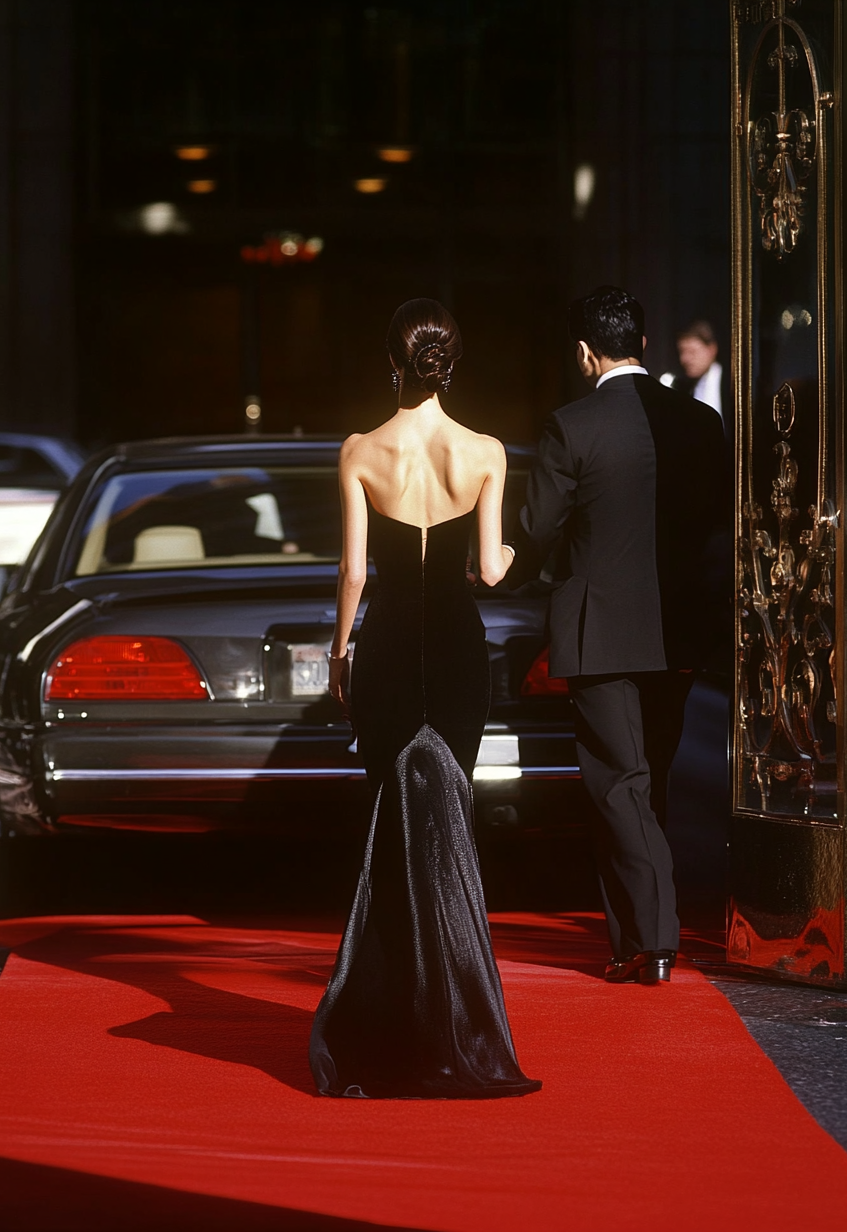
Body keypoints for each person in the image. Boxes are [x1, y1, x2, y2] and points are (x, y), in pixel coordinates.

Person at [309, 298, 541, 1099]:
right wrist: (511, 544)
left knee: (390, 824)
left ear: (392, 365)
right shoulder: (484, 452)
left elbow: (354, 574)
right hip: (454, 649)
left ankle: (390, 1020)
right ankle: (460, 1021)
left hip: (384, 647)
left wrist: (339, 655)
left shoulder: (359, 451)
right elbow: (490, 570)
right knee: (447, 824)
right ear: (451, 366)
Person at [509, 286, 729, 986]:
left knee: (617, 786)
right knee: (646, 783)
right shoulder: (699, 422)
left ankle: (654, 938)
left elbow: (536, 531)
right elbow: (718, 522)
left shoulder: (572, 426)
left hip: (600, 628)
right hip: (677, 628)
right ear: (642, 342)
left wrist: (499, 569)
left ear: (584, 352)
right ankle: (632, 940)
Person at [667, 319, 731, 437]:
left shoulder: (732, 383)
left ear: (712, 349)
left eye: (692, 351)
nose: (684, 359)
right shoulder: (682, 387)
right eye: (682, 352)